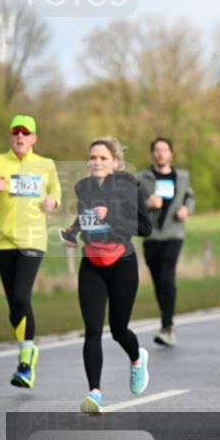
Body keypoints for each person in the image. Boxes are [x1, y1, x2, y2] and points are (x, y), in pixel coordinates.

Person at [62, 137, 152, 413]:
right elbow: (86, 217)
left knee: (118, 329)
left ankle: (137, 360)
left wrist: (111, 214)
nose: (96, 162)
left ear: (114, 161)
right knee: (92, 330)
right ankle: (95, 394)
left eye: (102, 158)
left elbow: (145, 227)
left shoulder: (128, 185)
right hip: (91, 263)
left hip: (122, 263)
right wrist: (72, 232)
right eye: (93, 158)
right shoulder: (83, 187)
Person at [0, 115, 61, 388]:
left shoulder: (46, 165)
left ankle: (26, 359)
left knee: (21, 294)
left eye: (25, 133)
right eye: (16, 132)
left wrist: (52, 202)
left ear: (33, 138)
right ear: (10, 136)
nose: (20, 137)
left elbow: (56, 195)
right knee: (14, 305)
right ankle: (27, 352)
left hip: (32, 239)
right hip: (3, 240)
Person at [137, 138, 195, 348]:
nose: (161, 154)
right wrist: (147, 203)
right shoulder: (142, 178)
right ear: (152, 154)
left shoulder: (182, 176)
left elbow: (190, 197)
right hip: (151, 235)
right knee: (158, 282)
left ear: (171, 154)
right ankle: (167, 320)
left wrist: (186, 209)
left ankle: (167, 326)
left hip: (173, 233)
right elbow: (131, 205)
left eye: (165, 150)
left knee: (167, 277)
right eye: (157, 150)